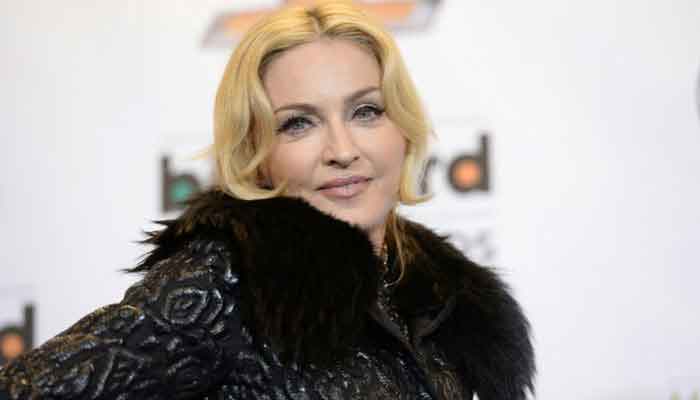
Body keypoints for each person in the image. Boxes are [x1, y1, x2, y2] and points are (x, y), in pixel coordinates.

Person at [0, 1, 534, 399]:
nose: (342, 150)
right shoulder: (229, 281)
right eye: (298, 123)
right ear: (256, 153)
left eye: (366, 111)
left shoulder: (435, 292)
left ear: (403, 128)